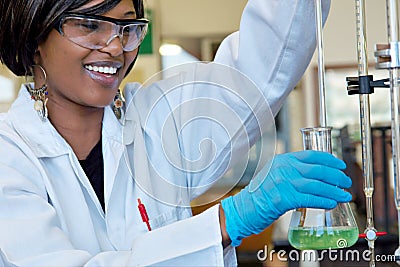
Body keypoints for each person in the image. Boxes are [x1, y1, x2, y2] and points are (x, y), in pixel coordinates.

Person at [0, 0, 352, 266]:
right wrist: (226, 221)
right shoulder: (10, 155)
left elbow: (264, 66)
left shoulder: (157, 118)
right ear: (35, 35)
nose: (114, 46)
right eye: (90, 25)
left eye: (127, 27)